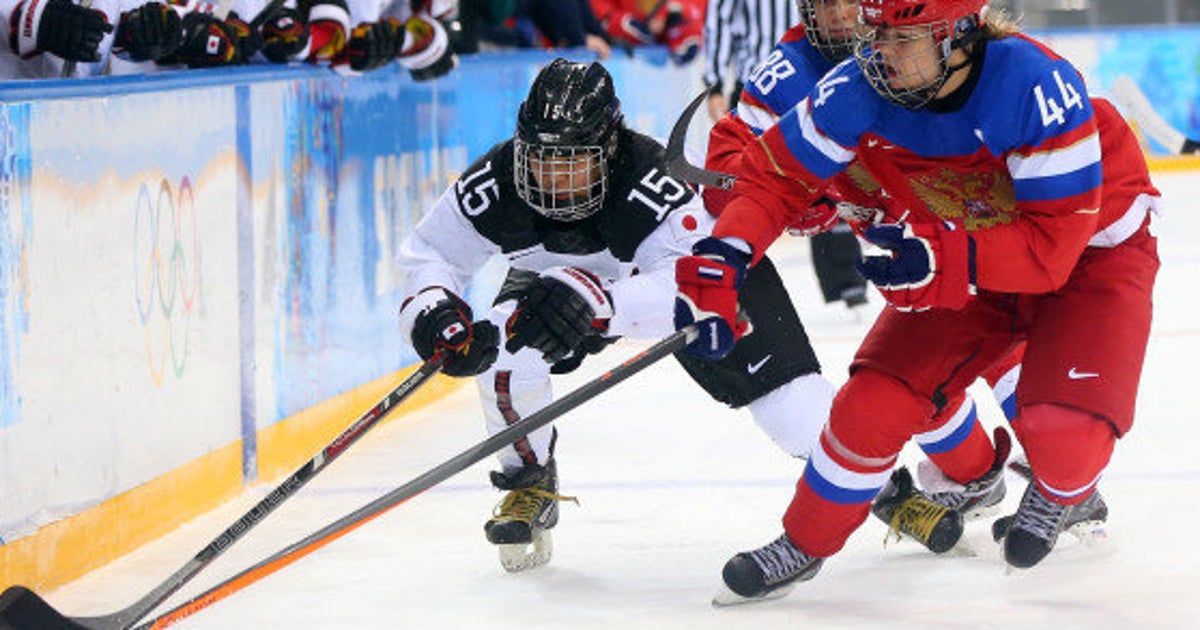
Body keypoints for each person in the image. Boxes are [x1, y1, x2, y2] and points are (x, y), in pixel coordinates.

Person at [673, 0, 1158, 602]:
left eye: (905, 38)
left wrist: (938, 256)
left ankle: (1065, 491)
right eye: (875, 33)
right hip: (964, 247)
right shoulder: (854, 83)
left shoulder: (1033, 83)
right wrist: (724, 256)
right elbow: (774, 178)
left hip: (1091, 254)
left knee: (1065, 436)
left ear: (959, 36)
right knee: (870, 406)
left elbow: (1052, 249)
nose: (879, 52)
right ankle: (803, 542)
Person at [396, 58, 840, 573]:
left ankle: (879, 483)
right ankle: (529, 479)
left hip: (700, 273)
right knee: (503, 361)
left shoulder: (656, 177)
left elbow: (685, 288)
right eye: (540, 159)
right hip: (559, 281)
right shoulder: (496, 181)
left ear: (609, 148)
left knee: (790, 408)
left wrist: (597, 302)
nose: (553, 179)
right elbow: (430, 252)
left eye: (572, 162)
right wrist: (433, 311)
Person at [704, 0, 1024, 553]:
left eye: (848, 0)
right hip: (903, 244)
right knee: (911, 376)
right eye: (821, 3)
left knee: (1005, 344)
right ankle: (977, 476)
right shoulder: (787, 68)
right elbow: (732, 162)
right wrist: (795, 195)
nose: (836, 15)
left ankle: (1063, 479)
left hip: (976, 220)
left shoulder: (935, 42)